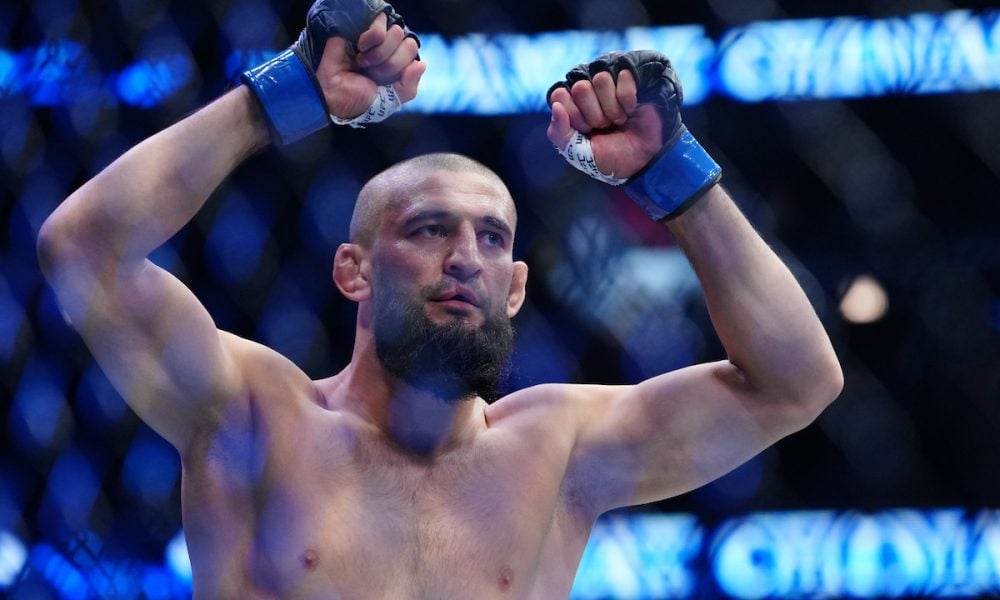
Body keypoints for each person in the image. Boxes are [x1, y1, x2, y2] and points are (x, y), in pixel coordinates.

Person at [36, 0, 843, 597]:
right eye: (427, 230)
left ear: (516, 287)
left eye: (493, 239)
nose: (465, 258)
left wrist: (677, 183)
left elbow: (797, 381)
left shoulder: (558, 452)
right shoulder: (253, 416)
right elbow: (83, 249)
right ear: (353, 270)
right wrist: (281, 96)